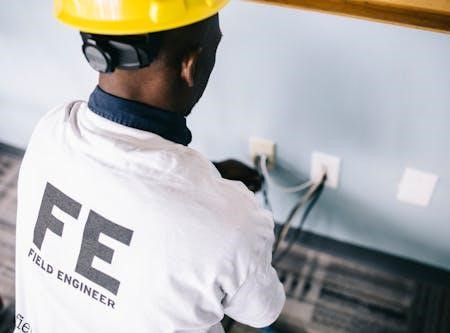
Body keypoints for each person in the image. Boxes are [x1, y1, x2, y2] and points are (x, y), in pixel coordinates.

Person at [15, 1, 285, 332]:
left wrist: (209, 186)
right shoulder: (233, 222)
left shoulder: (51, 130)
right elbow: (264, 312)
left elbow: (114, 188)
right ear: (191, 65)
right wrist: (220, 205)